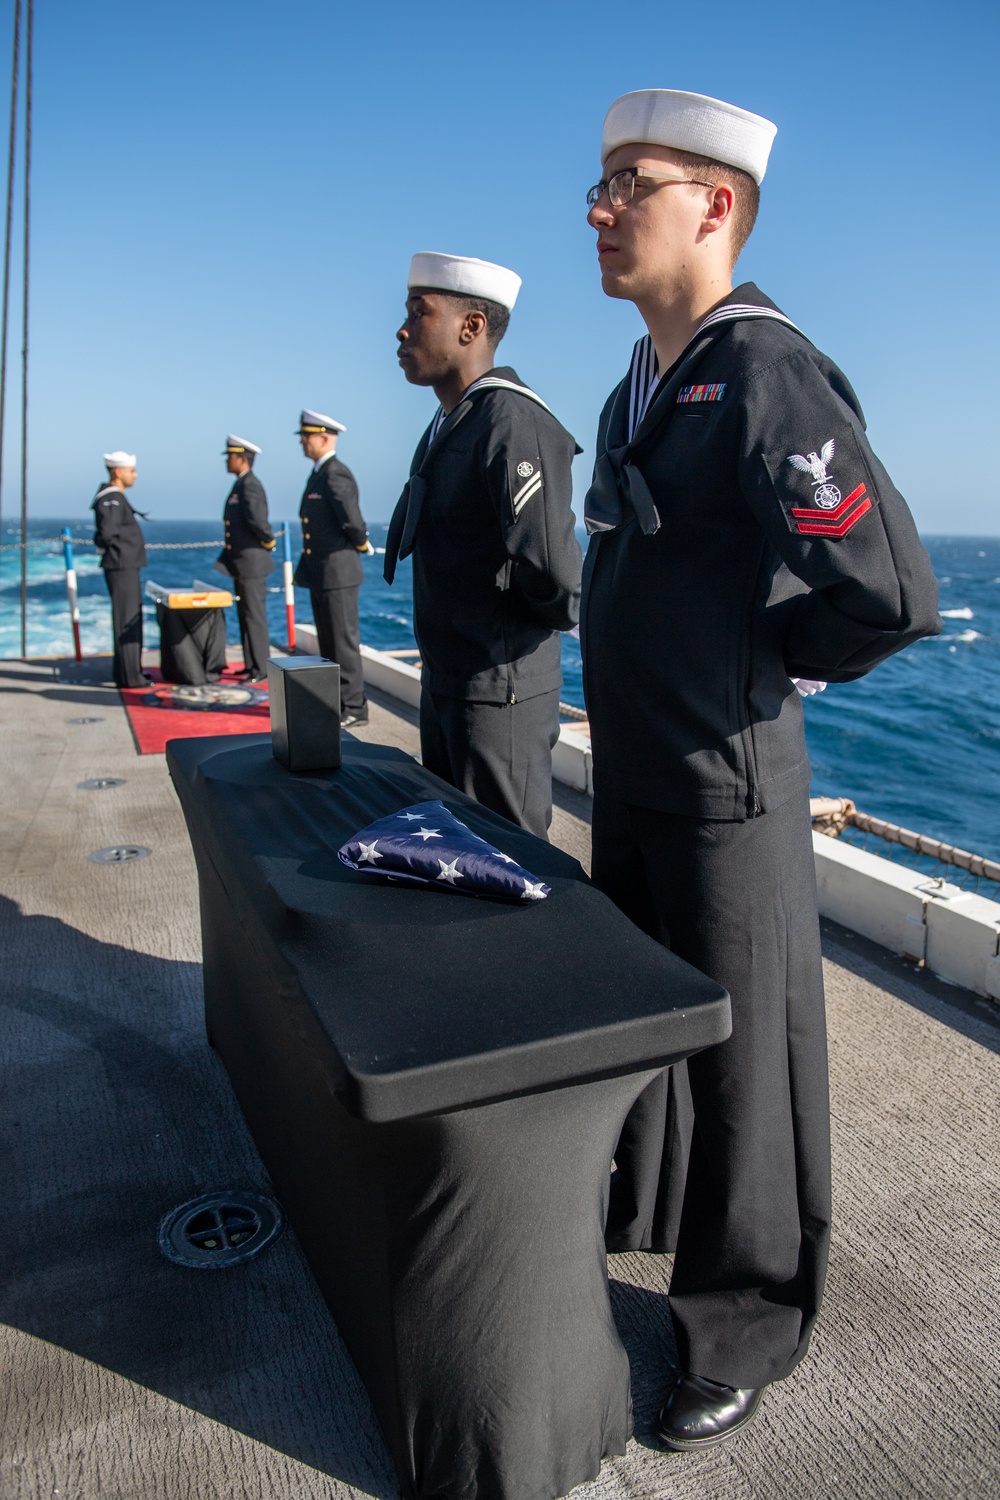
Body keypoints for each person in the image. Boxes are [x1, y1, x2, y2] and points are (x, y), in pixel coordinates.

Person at [580, 89, 942, 1449]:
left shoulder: (764, 368)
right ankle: (644, 1217)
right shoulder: (646, 376)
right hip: (637, 767)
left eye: (634, 182)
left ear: (716, 206)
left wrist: (767, 659)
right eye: (601, 183)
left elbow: (889, 589)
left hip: (727, 781)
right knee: (648, 1024)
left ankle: (745, 1320)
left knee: (748, 1066)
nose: (602, 206)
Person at [384, 252, 583, 838]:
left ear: (471, 327)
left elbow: (556, 578)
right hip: (450, 679)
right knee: (455, 858)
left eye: (420, 314)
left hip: (498, 696)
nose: (401, 329)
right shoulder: (452, 421)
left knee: (508, 864)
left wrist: (502, 639)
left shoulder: (510, 421)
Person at [293, 409, 372, 727]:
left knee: (342, 641)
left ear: (325, 438)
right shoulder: (318, 473)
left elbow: (352, 520)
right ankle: (337, 703)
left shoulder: (334, 473)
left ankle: (354, 706)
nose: (301, 442)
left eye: (306, 436)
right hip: (321, 571)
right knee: (328, 642)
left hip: (338, 571)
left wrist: (362, 541)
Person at [216, 434, 275, 683]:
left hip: (252, 563)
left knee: (254, 617)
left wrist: (268, 541)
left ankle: (260, 668)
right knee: (245, 615)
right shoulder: (240, 484)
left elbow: (258, 522)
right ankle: (251, 664)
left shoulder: (250, 485)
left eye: (230, 456)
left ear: (242, 458)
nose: (226, 461)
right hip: (241, 563)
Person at [92, 450, 150, 689]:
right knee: (126, 619)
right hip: (121, 565)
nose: (135, 475)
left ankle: (128, 672)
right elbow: (106, 533)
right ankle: (130, 677)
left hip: (124, 565)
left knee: (127, 617)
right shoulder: (111, 498)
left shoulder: (114, 497)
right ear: (118, 472)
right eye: (131, 471)